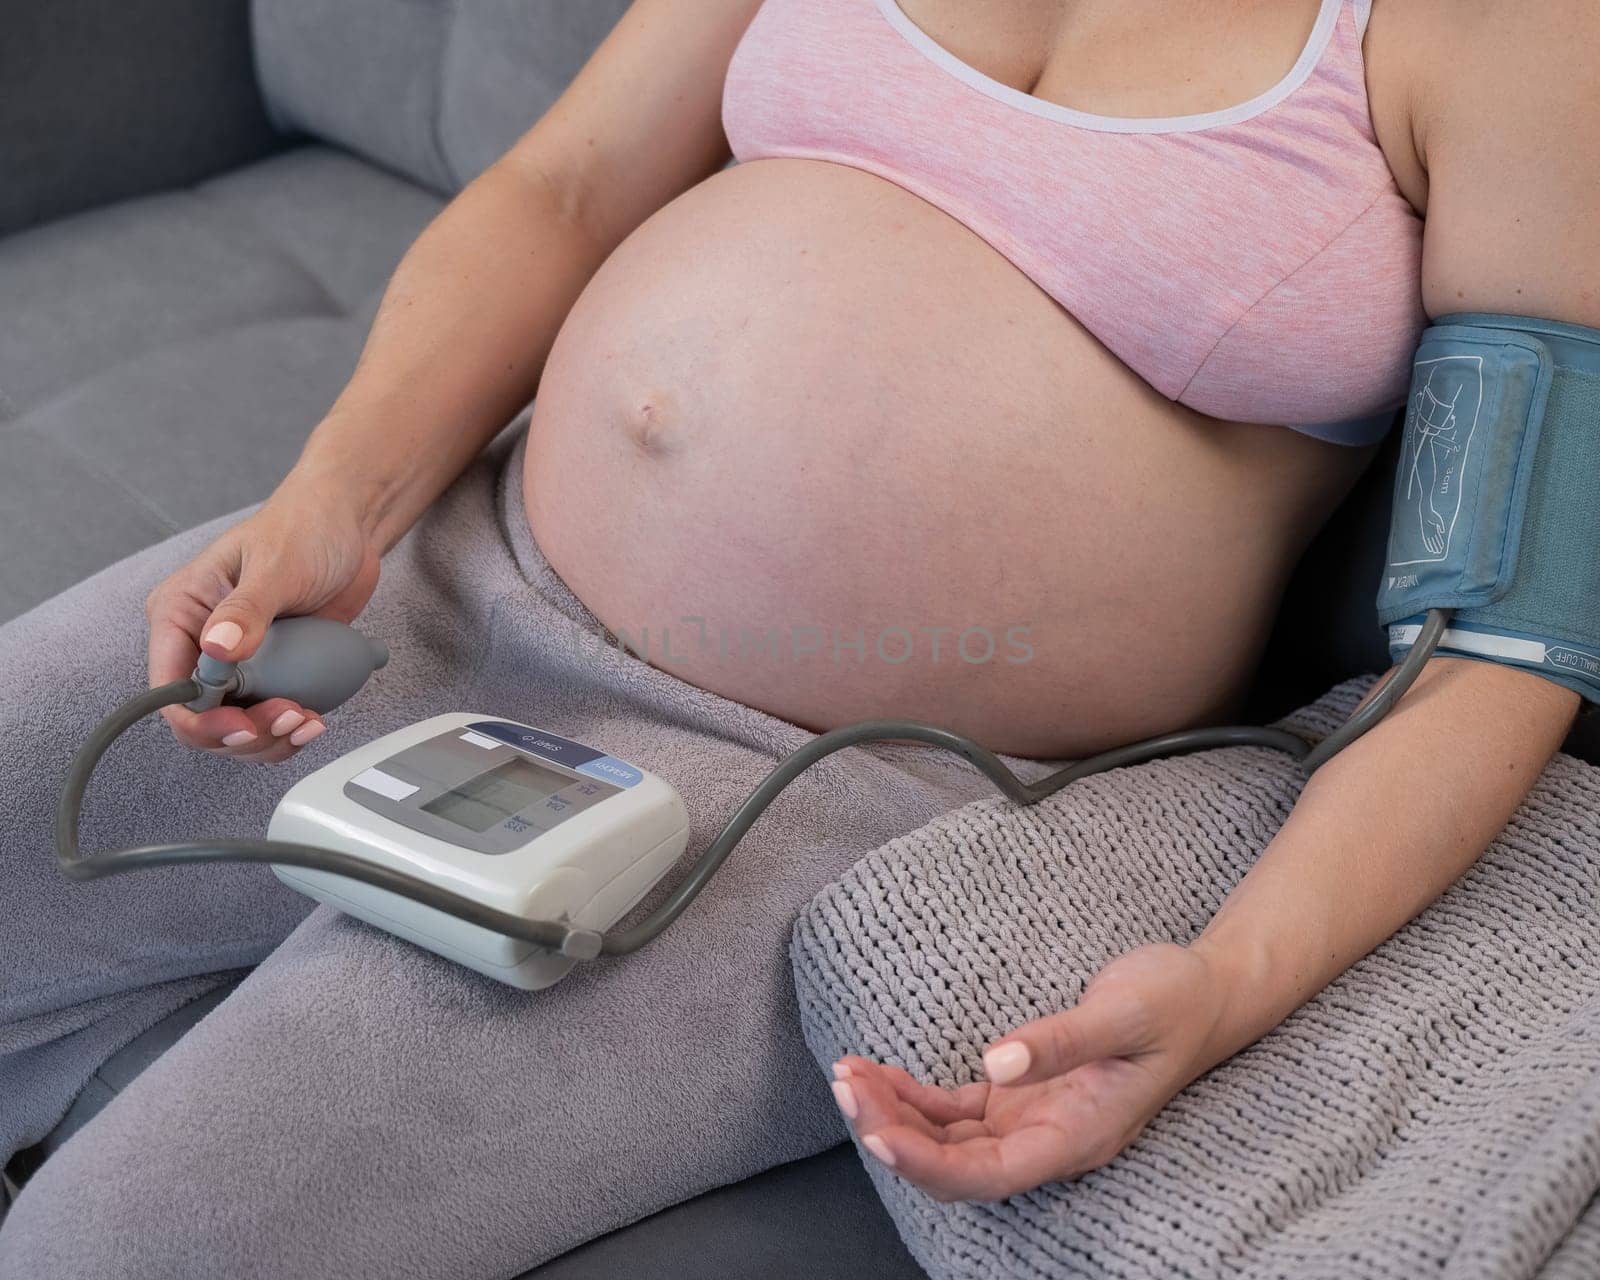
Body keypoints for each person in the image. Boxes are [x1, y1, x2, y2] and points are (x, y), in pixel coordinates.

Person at [4, 0, 1595, 1251]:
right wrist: (335, 501)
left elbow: (1496, 652)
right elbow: (562, 187)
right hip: (449, 573)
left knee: (129, 1244)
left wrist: (1233, 981)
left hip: (820, 793)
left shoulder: (1507, 33)